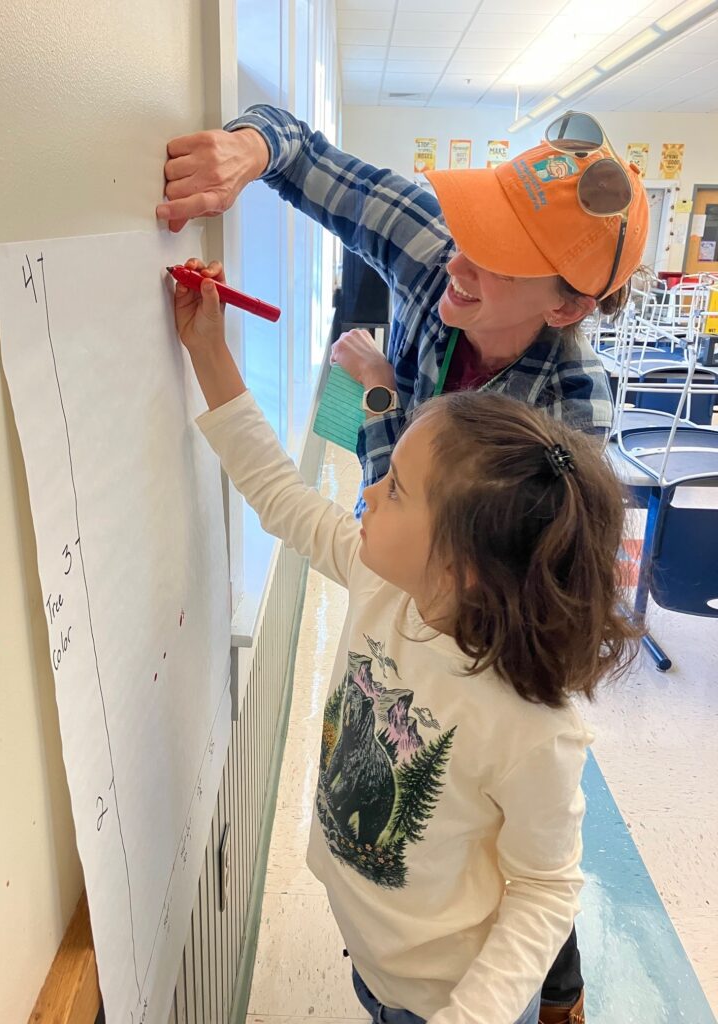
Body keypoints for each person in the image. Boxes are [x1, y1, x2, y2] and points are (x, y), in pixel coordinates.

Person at [156, 108, 649, 1023]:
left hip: (440, 991)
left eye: (494, 255)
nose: (457, 259)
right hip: (380, 940)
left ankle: (564, 999)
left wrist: (384, 402)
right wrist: (246, 164)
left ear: (567, 304)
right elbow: (290, 499)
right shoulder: (397, 569)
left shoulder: (566, 434)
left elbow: (545, 879)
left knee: (506, 828)